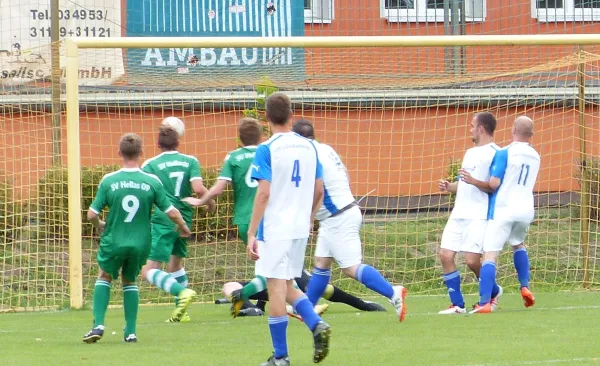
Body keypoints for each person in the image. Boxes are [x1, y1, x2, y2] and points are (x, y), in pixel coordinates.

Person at [182, 118, 329, 320]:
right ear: (261, 135)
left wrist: (201, 201)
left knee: (276, 271)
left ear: (239, 138)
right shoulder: (271, 151)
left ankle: (298, 307)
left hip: (245, 219)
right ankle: (248, 297)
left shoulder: (234, 157)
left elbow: (218, 188)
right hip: (269, 220)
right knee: (275, 273)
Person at [293, 119, 407, 322]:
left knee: (351, 268)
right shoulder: (326, 149)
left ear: (297, 139)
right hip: (341, 212)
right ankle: (307, 308)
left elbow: (318, 189)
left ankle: (392, 291)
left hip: (338, 217)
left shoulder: (308, 154)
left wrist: (309, 218)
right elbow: (345, 173)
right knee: (321, 263)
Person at [82, 133, 192, 344]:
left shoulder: (110, 180)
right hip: (141, 243)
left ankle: (98, 325)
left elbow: (91, 214)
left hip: (114, 240)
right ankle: (130, 332)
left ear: (119, 153)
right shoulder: (151, 181)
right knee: (129, 280)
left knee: (104, 276)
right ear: (141, 153)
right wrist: (184, 227)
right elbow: (171, 212)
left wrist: (99, 226)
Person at [248, 93, 330, 366]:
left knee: (276, 289)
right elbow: (319, 189)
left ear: (267, 118)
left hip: (275, 227)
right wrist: (309, 218)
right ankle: (316, 323)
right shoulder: (309, 147)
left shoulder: (267, 148)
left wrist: (251, 232)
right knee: (287, 283)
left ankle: (281, 357)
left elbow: (263, 193)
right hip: (299, 227)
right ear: (291, 114)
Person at [139, 123, 215, 323]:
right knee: (175, 264)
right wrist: (210, 202)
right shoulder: (190, 160)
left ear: (158, 144)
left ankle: (182, 292)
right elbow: (198, 189)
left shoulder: (149, 165)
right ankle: (182, 313)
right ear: (178, 142)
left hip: (163, 218)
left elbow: (146, 194)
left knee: (147, 270)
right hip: (185, 216)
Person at [470, 116, 539, 314]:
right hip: (526, 210)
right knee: (518, 244)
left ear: (513, 130)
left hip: (504, 208)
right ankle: (524, 285)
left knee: (490, 254)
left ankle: (484, 303)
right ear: (531, 135)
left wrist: (474, 181)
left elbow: (494, 183)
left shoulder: (504, 152)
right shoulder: (536, 155)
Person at [437, 112, 504, 314]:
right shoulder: (469, 153)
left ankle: (493, 290)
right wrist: (449, 186)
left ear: (481, 129)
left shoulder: (497, 153)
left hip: (478, 214)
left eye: (472, 126)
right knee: (445, 255)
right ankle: (457, 304)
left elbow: (493, 187)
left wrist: (474, 181)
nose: (470, 129)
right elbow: (464, 184)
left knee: (472, 261)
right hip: (459, 212)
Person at [220, 269, 387, 317]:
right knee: (229, 285)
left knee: (322, 288)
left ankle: (251, 306)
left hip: (288, 284)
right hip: (281, 285)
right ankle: (252, 308)